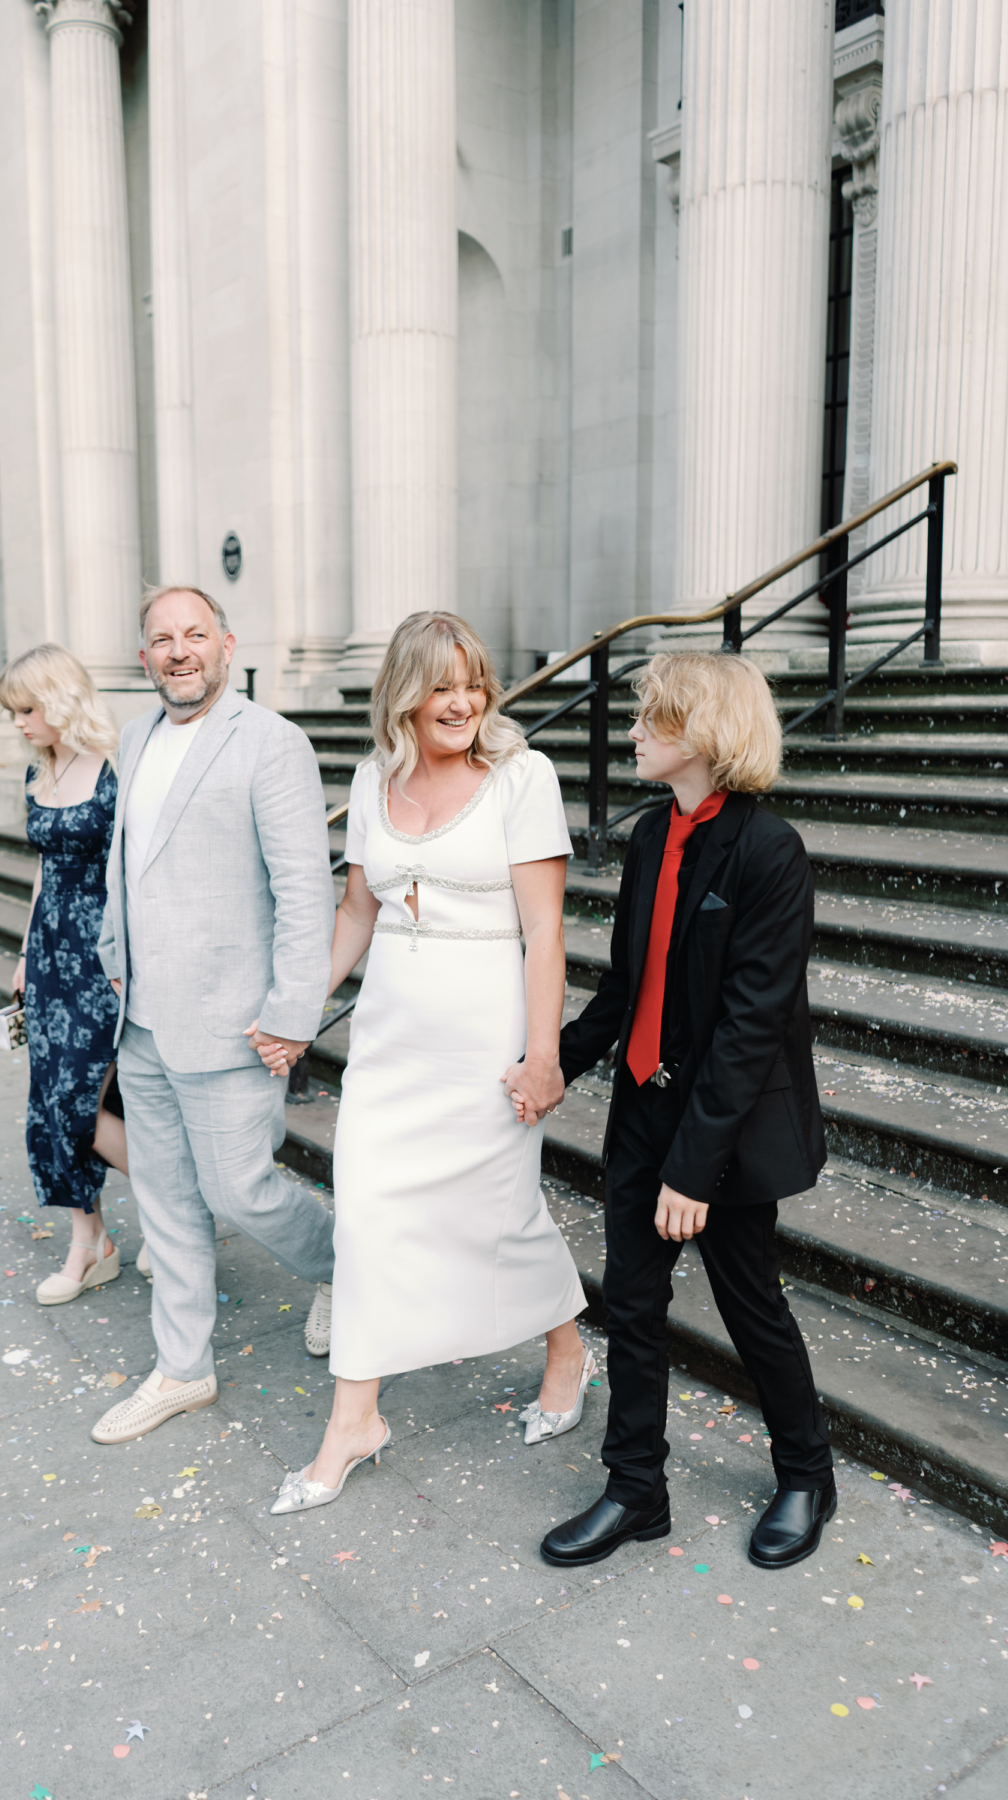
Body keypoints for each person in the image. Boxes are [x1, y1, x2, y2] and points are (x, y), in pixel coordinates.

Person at [263, 611, 591, 1517]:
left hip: (484, 1044)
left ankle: (567, 1347)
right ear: (405, 693)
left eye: (473, 683)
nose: (461, 701)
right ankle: (354, 1421)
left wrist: (543, 1054)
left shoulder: (524, 778)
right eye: (441, 685)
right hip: (390, 1042)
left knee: (499, 1216)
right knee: (366, 1220)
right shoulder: (374, 778)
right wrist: (297, 1013)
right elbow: (357, 915)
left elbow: (544, 930)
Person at [539, 650, 833, 1574]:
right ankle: (636, 1491)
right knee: (629, 1301)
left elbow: (751, 1029)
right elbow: (629, 984)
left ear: (701, 732)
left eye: (648, 718)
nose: (629, 732)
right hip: (642, 1108)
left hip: (728, 1133)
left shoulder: (768, 849)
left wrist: (691, 1170)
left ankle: (807, 1474)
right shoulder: (648, 836)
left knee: (751, 1307)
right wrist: (554, 1063)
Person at [90, 584, 336, 1447]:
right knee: (163, 1202)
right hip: (145, 1021)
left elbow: (306, 888)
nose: (179, 650)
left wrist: (294, 1012)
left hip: (235, 1021)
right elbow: (126, 865)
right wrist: (113, 959)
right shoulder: (134, 737)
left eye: (195, 634)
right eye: (162, 638)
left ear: (227, 645)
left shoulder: (271, 743)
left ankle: (343, 1266)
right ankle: (182, 1371)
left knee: (241, 1189)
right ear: (146, 654)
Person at [0, 643, 139, 1302]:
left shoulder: (114, 770)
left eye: (27, 708)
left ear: (58, 701)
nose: (20, 723)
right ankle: (91, 1242)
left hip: (101, 957)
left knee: (86, 1106)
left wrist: (129, 961)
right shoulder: (36, 776)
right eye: (14, 712)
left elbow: (135, 874)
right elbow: (43, 873)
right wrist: (25, 956)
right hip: (51, 955)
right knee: (52, 1105)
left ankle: (177, 1220)